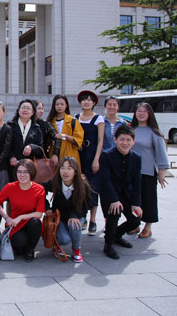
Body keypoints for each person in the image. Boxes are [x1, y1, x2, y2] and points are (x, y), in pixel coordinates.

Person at [98, 124, 143, 259]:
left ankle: (116, 235)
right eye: (122, 139)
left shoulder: (136, 158)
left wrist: (136, 203)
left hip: (126, 194)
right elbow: (105, 180)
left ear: (133, 142)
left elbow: (137, 182)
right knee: (114, 213)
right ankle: (108, 244)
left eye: (128, 140)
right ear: (115, 140)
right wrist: (114, 200)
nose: (125, 143)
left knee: (135, 220)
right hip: (109, 194)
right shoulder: (106, 155)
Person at [130, 102, 169, 238]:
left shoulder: (154, 132)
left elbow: (161, 153)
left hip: (147, 172)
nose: (141, 113)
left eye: (144, 111)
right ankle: (134, 224)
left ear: (149, 114)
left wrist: (161, 173)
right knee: (132, 199)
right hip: (131, 172)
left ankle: (148, 226)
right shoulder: (131, 130)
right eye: (139, 111)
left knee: (148, 200)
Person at [0, 159, 45, 262]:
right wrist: (7, 217)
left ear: (31, 173)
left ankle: (30, 250)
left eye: (25, 172)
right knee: (19, 241)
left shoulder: (39, 189)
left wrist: (21, 217)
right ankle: (20, 248)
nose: (22, 175)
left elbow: (39, 214)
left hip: (30, 222)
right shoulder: (10, 187)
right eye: (19, 172)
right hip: (14, 224)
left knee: (36, 222)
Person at [45, 157, 91, 263]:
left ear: (75, 171)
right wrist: (47, 208)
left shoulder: (83, 185)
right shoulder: (55, 182)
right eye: (62, 168)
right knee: (64, 239)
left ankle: (76, 250)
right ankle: (57, 244)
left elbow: (86, 206)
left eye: (69, 168)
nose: (65, 172)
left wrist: (75, 216)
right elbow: (40, 191)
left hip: (76, 215)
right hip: (60, 217)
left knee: (74, 225)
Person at [75, 90, 104, 236]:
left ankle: (93, 219)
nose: (86, 102)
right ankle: (83, 216)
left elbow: (100, 141)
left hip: (92, 155)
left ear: (94, 103)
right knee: (79, 187)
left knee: (93, 188)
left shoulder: (98, 119)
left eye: (89, 100)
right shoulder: (75, 118)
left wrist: (97, 159)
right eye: (84, 100)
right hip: (78, 155)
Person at [7, 99, 44, 179]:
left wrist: (31, 147)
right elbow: (5, 146)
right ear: (18, 110)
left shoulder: (36, 128)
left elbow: (40, 149)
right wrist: (11, 157)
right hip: (12, 166)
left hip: (30, 167)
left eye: (28, 108)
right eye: (23, 107)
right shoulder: (10, 125)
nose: (25, 110)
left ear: (32, 112)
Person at [46, 94, 84, 165]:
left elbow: (79, 140)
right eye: (57, 104)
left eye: (62, 104)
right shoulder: (50, 121)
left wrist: (65, 136)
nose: (59, 106)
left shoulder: (73, 121)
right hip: (54, 155)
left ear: (66, 105)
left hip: (70, 154)